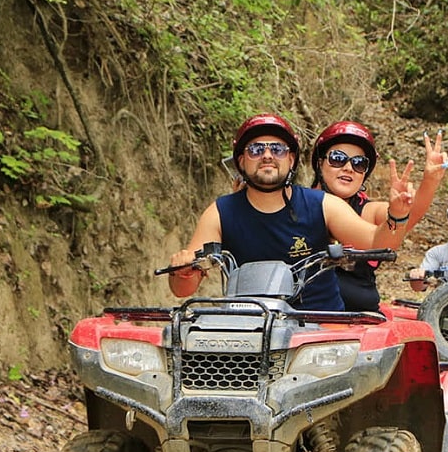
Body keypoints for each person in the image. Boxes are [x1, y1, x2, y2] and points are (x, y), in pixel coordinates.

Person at [167, 113, 416, 311]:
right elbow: (183, 289)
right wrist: (182, 269)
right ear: (241, 160)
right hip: (250, 327)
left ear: (292, 160)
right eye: (256, 149)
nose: (267, 156)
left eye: (277, 149)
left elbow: (380, 242)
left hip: (321, 330)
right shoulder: (220, 212)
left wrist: (397, 214)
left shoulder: (322, 204)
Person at [311, 122, 448, 311]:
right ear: (320, 162)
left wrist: (430, 181)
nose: (349, 168)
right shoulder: (298, 203)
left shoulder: (369, 211)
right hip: (302, 316)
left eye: (359, 163)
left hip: (359, 320)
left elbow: (405, 219)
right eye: (337, 158)